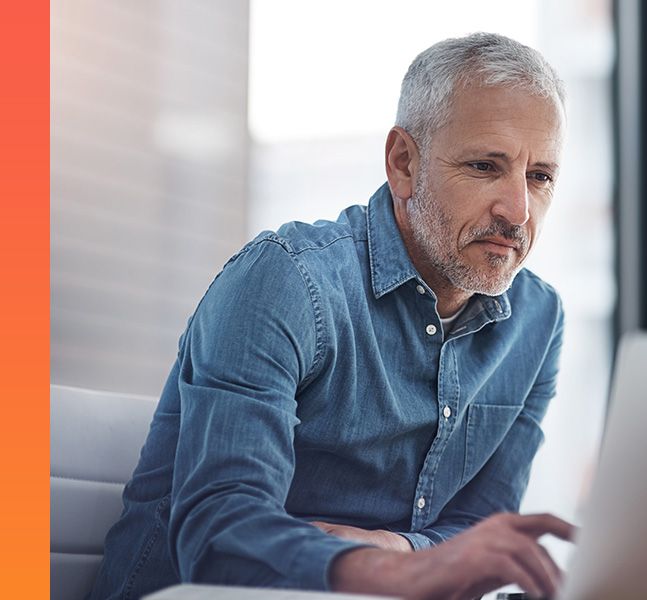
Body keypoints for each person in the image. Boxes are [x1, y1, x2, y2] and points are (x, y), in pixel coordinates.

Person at [88, 32, 573, 600]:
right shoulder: (287, 280)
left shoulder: (537, 321)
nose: (517, 211)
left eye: (539, 176)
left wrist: (402, 551)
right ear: (403, 163)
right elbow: (219, 535)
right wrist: (403, 571)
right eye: (485, 166)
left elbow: (481, 530)